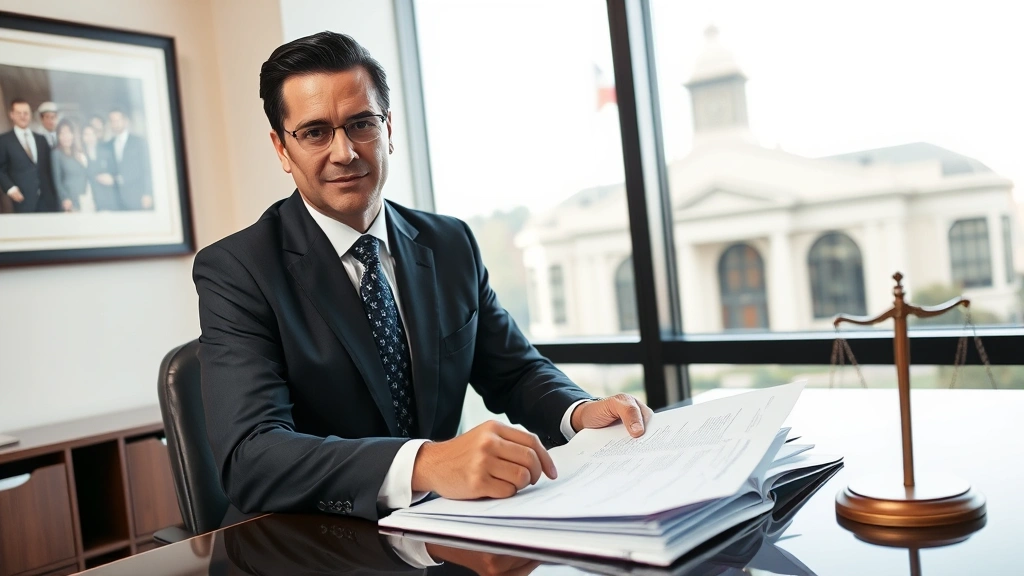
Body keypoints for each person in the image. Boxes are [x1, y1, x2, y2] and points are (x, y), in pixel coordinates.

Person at [193, 31, 654, 523]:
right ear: (282, 150)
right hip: (306, 540)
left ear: (388, 128)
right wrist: (425, 463)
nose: (345, 152)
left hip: (440, 530)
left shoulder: (450, 243)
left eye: (361, 124)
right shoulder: (237, 270)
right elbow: (251, 457)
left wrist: (580, 413)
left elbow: (514, 371)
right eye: (314, 133)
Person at [0, 99, 58, 213]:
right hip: (22, 199)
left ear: (30, 115)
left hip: (47, 200)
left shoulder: (41, 139)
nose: (23, 116)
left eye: (26, 113)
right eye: (19, 113)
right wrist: (10, 188)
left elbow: (50, 169)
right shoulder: (4, 140)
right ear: (12, 115)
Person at [108, 108, 153, 210]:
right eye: (112, 121)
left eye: (117, 120)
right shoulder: (109, 144)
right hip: (117, 200)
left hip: (137, 196)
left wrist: (148, 193)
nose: (115, 124)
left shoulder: (139, 142)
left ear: (125, 121)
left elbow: (147, 169)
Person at [51, 119, 93, 212]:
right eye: (62, 133)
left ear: (73, 134)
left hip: (86, 197)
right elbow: (57, 181)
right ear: (58, 136)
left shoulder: (79, 151)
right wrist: (65, 198)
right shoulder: (57, 153)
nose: (66, 137)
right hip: (70, 200)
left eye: (68, 133)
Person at [81, 124, 120, 211]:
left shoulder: (106, 152)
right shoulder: (80, 154)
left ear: (96, 135)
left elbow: (116, 172)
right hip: (89, 198)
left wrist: (112, 178)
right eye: (86, 134)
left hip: (107, 197)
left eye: (92, 134)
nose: (89, 137)